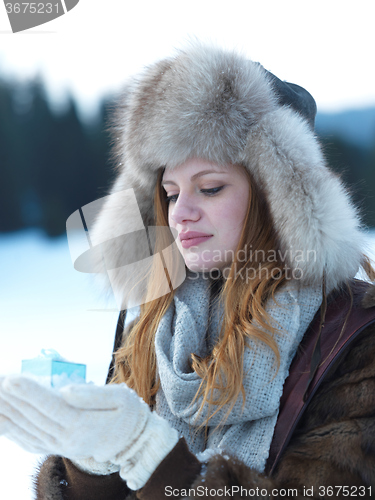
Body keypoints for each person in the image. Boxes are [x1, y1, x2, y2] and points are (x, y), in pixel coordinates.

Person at [1, 42, 375, 500]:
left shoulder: (354, 338)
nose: (182, 214)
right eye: (172, 193)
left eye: (211, 188)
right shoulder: (152, 325)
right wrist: (88, 466)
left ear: (277, 198)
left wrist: (156, 461)